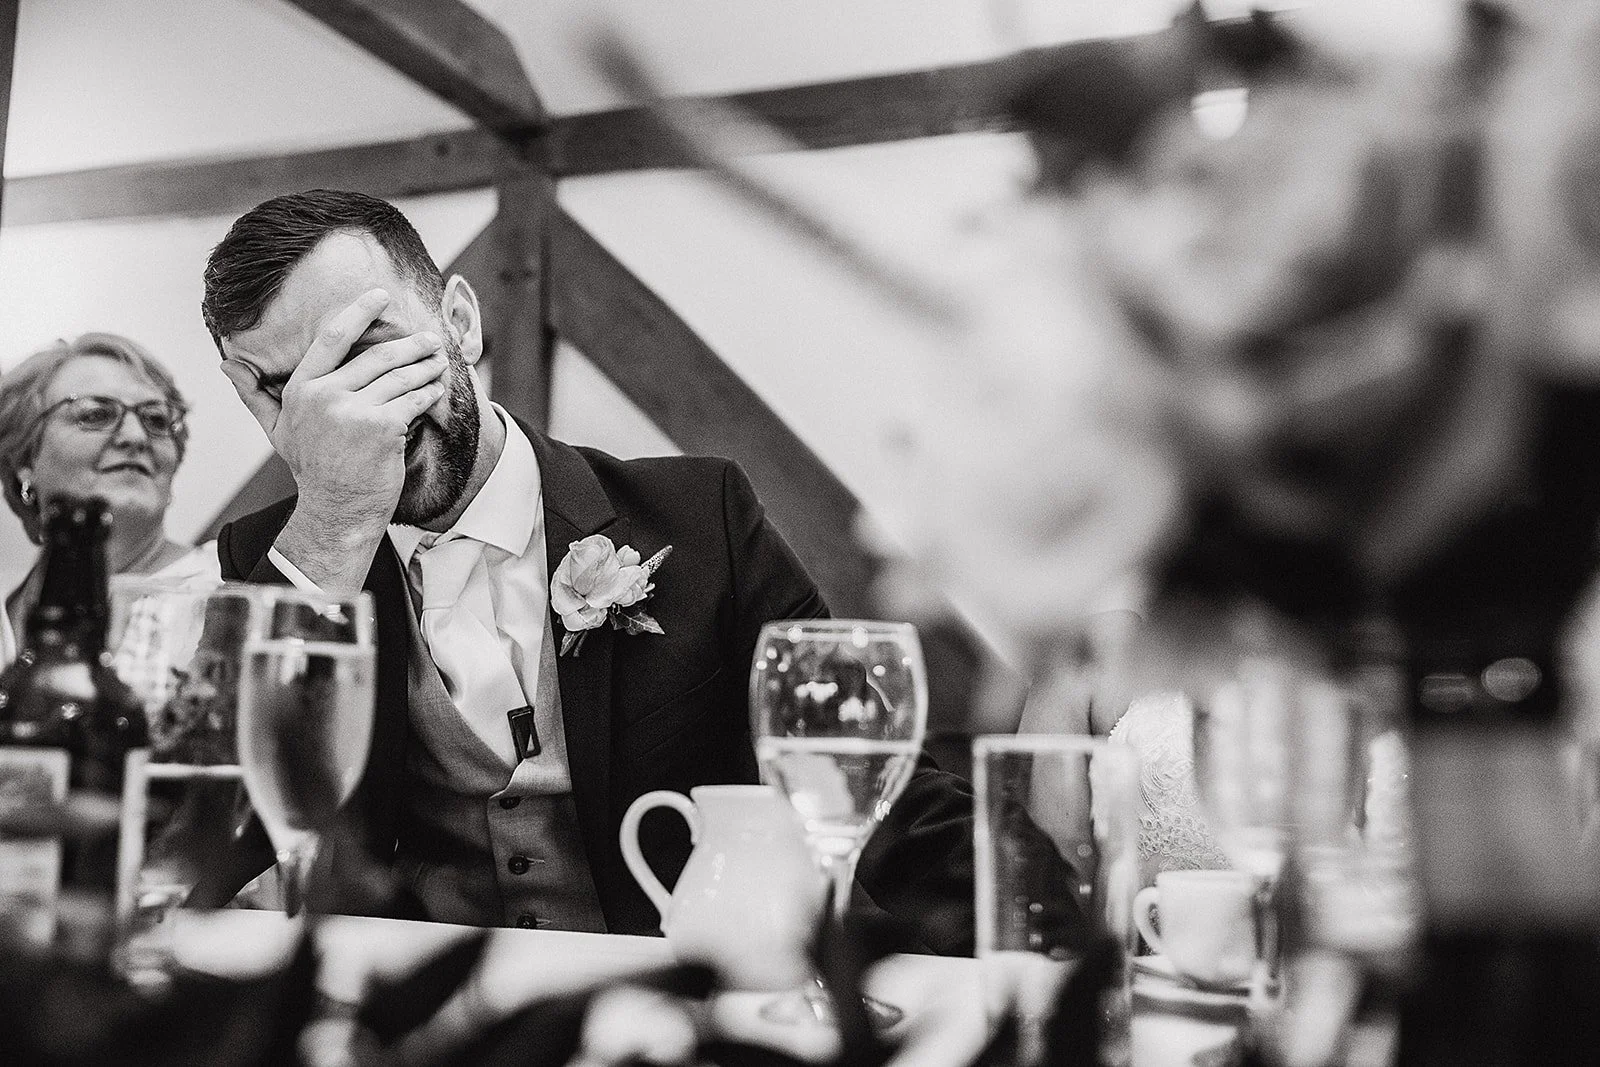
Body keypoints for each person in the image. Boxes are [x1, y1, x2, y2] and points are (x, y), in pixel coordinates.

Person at [197, 189, 973, 953]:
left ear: (460, 323)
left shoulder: (703, 518)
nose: (353, 413)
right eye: (293, 389)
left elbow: (878, 793)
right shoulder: (280, 565)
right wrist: (331, 528)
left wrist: (1058, 943)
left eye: (369, 353)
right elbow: (198, 851)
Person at [0, 333, 219, 668]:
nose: (135, 437)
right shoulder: (5, 606)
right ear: (24, 462)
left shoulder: (226, 589)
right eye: (96, 415)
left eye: (156, 420)